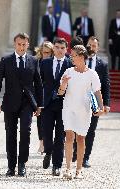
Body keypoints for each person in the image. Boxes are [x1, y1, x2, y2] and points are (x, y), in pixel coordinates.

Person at [0, 33, 43, 177]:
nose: (21, 47)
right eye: (19, 44)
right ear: (15, 44)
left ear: (28, 45)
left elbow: (38, 84)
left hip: (27, 103)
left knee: (26, 132)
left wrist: (40, 104)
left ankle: (22, 164)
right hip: (10, 103)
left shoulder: (33, 61)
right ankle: (11, 166)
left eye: (24, 44)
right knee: (11, 134)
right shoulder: (6, 60)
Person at [58, 45, 104, 179]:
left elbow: (97, 91)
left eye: (73, 55)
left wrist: (101, 107)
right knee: (69, 136)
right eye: (71, 55)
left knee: (81, 138)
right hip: (69, 108)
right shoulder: (68, 71)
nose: (71, 57)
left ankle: (79, 169)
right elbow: (60, 93)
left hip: (84, 110)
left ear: (82, 57)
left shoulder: (92, 74)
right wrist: (64, 84)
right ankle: (67, 168)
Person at [72, 36, 110, 168]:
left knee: (91, 129)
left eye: (94, 46)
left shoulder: (102, 64)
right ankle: (76, 152)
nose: (92, 48)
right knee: (76, 127)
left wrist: (106, 104)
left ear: (98, 48)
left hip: (93, 100)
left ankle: (86, 157)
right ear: (85, 46)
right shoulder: (79, 60)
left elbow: (105, 85)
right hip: (78, 99)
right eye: (90, 45)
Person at [40, 38, 72, 176]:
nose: (59, 50)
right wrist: (38, 103)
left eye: (62, 48)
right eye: (57, 47)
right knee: (46, 133)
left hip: (64, 105)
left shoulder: (71, 65)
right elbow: (39, 83)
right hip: (47, 104)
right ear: (53, 48)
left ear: (66, 50)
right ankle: (48, 151)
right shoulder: (45, 63)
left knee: (60, 136)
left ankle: (57, 165)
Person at [34, 41, 54, 154]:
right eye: (44, 52)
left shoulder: (54, 63)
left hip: (51, 95)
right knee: (40, 120)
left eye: (48, 52)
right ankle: (41, 143)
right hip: (39, 95)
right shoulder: (36, 62)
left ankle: (50, 142)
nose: (46, 54)